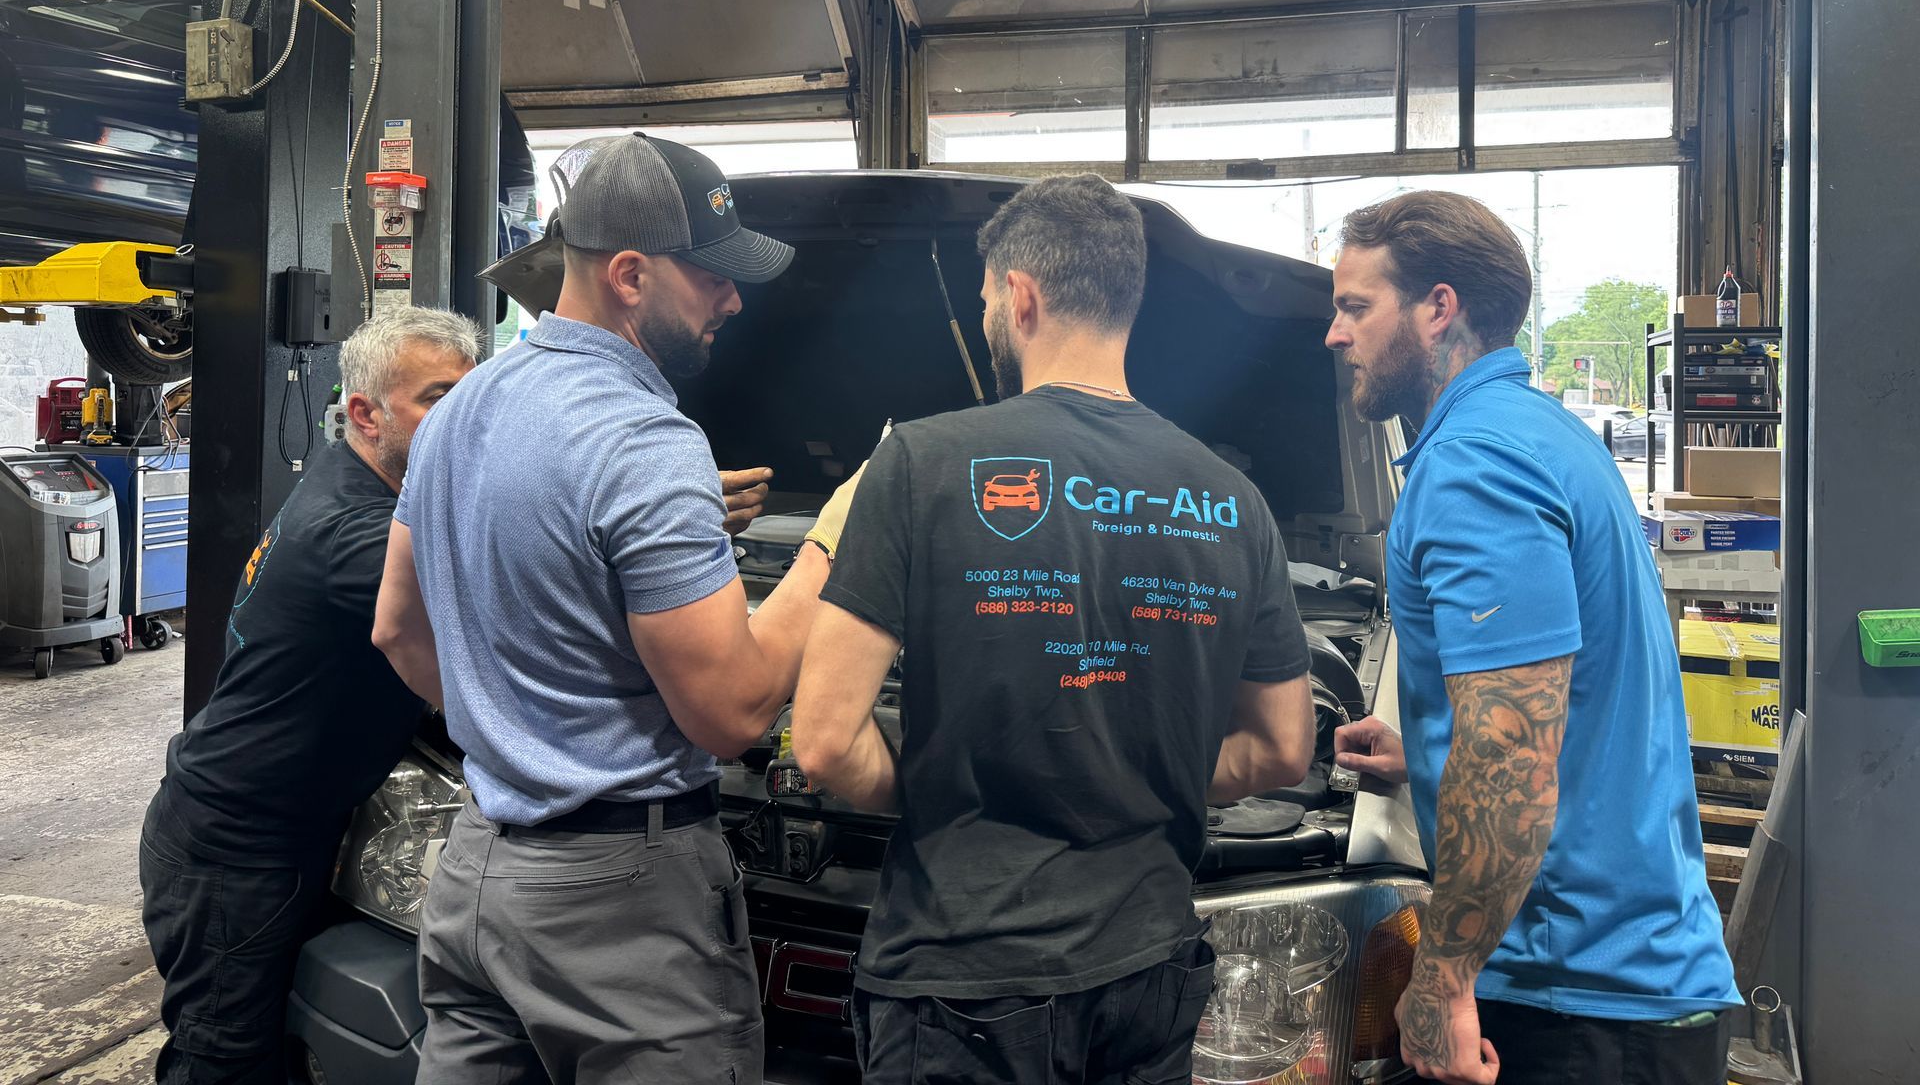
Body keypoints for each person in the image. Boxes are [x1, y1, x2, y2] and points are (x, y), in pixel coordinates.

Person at [792, 173, 1317, 1085]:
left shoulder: (919, 462)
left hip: (961, 977)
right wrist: (1139, 773)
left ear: (1022, 295)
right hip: (1151, 968)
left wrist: (941, 786)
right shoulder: (1234, 502)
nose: (990, 314)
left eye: (989, 297)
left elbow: (827, 743)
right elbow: (1279, 752)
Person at [371, 132, 856, 1084]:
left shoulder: (466, 405)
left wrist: (524, 730)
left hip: (477, 874)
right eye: (712, 276)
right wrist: (839, 537)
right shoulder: (644, 438)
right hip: (620, 908)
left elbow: (398, 626)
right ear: (630, 274)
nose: (734, 299)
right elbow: (731, 714)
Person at [1324, 191, 1738, 1085]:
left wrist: (1439, 981)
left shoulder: (1475, 464)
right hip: (1622, 979)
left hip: (1577, 999)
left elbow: (1511, 757)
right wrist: (1431, 756)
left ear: (1439, 308)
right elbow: (1562, 706)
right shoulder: (1544, 434)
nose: (1334, 333)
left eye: (1356, 306)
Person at [138, 307, 483, 1085]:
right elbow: (508, 605)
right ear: (365, 413)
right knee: (223, 1061)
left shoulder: (358, 479)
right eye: (437, 397)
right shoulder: (353, 532)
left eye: (473, 395)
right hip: (234, 849)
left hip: (277, 830)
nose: (464, 419)